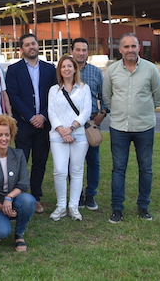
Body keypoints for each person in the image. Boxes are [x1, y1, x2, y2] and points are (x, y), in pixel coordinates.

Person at [103, 33, 160, 224]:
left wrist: (142, 110)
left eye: (133, 46)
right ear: (120, 49)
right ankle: (117, 209)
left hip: (144, 127)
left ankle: (143, 206)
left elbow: (157, 96)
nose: (130, 50)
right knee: (118, 169)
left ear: (139, 48)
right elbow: (107, 96)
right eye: (126, 46)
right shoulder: (111, 71)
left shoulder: (150, 69)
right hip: (119, 127)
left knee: (145, 168)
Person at [5, 33, 57, 214]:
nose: (31, 47)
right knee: (21, 161)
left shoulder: (50, 69)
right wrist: (30, 116)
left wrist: (42, 115)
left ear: (37, 45)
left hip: (44, 124)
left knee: (40, 162)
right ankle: (19, 196)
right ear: (22, 49)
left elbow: (55, 94)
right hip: (24, 124)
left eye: (33, 43)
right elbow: (13, 96)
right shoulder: (14, 70)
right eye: (27, 45)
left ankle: (36, 197)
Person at [0, 115, 35, 252]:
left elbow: (23, 183)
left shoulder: (19, 154)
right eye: (0, 135)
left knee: (29, 201)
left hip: (14, 198)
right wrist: (3, 207)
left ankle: (19, 233)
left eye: (7, 135)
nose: (4, 138)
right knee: (0, 233)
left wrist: (9, 198)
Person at [47, 55, 91, 221]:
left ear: (75, 69)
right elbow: (51, 112)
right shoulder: (54, 90)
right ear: (60, 70)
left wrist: (71, 128)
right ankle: (61, 206)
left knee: (77, 170)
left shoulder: (84, 88)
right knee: (59, 171)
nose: (66, 69)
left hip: (78, 135)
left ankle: (73, 206)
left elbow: (86, 111)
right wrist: (61, 131)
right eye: (63, 66)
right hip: (58, 136)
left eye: (69, 66)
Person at [69, 37, 106, 212]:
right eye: (78, 49)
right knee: (73, 161)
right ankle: (77, 195)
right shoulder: (65, 70)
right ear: (72, 51)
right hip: (70, 123)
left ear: (88, 52)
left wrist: (101, 115)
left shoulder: (96, 72)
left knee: (93, 161)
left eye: (84, 50)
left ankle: (90, 194)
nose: (81, 53)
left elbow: (104, 97)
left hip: (90, 123)